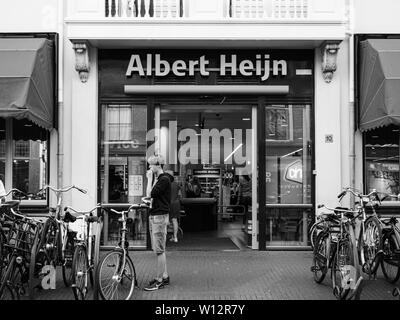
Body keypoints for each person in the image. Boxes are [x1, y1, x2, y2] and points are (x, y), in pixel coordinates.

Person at [144, 155, 172, 291]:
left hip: (159, 217)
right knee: (159, 249)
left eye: (151, 165)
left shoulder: (163, 180)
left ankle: (160, 280)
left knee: (159, 250)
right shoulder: (161, 179)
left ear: (158, 166)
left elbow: (149, 194)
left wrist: (149, 179)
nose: (149, 167)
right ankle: (164, 276)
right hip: (157, 216)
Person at [165, 170, 181, 243]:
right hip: (176, 203)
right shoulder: (177, 184)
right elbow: (180, 195)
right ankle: (175, 237)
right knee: (175, 220)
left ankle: (164, 237)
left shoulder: (165, 183)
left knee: (166, 220)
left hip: (167, 203)